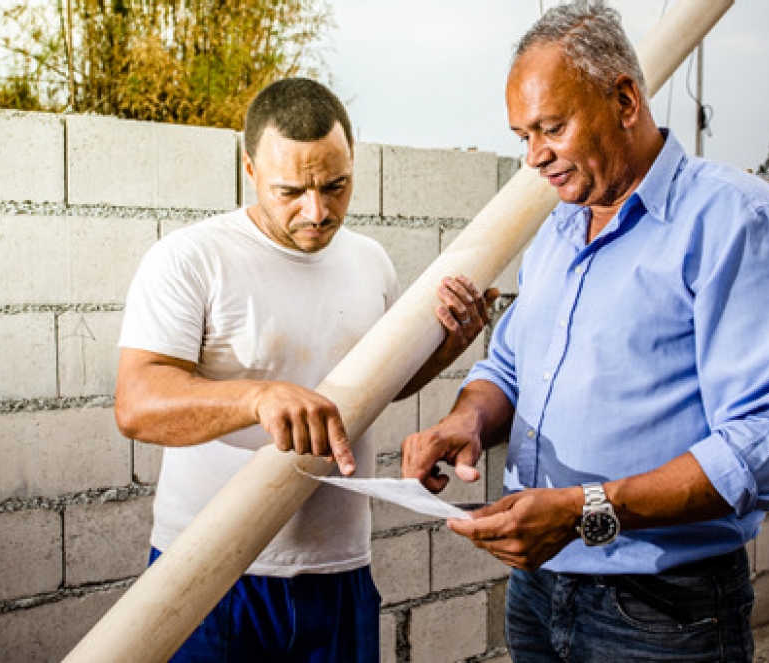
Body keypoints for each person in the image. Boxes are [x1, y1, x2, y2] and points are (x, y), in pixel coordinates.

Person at [401, 6, 769, 662]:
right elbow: (511, 368)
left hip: (663, 611)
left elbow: (768, 440)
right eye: (523, 135)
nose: (534, 156)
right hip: (539, 592)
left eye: (552, 127)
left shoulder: (734, 221)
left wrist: (587, 508)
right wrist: (465, 421)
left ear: (625, 99)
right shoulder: (556, 231)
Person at [115, 77, 496, 662]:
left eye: (336, 186)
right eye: (290, 190)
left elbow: (378, 390)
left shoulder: (369, 261)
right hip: (209, 574)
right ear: (249, 169)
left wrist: (448, 346)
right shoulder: (190, 259)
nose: (317, 211)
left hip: (339, 571)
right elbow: (137, 404)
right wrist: (258, 399)